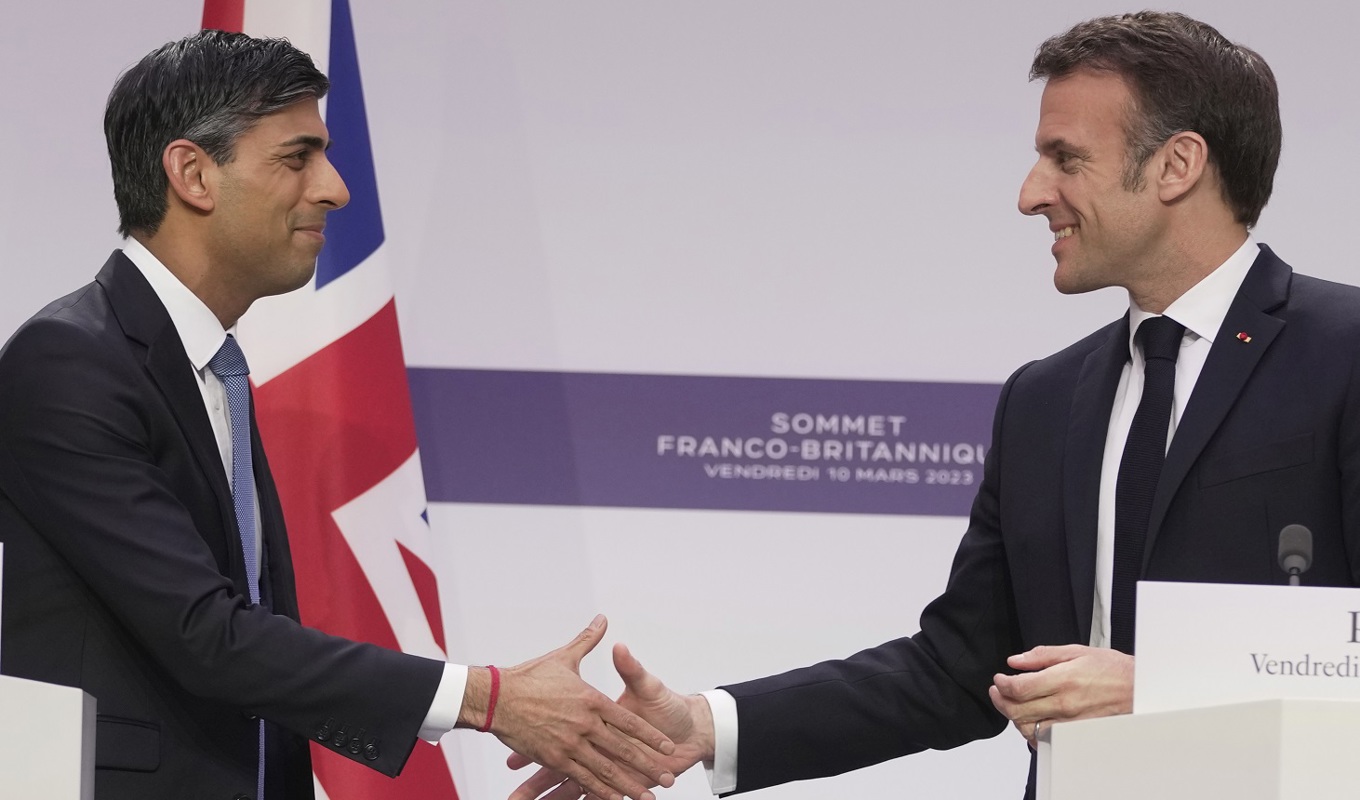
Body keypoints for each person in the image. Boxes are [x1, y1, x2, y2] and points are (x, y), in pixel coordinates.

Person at [508, 11, 1360, 800]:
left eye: (1066, 159)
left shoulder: (1344, 353)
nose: (1031, 193)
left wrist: (1167, 691)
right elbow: (958, 668)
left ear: (1177, 165)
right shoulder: (1045, 400)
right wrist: (704, 725)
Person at [0, 30, 675, 800]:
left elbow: (248, 660)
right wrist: (487, 698)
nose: (334, 189)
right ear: (193, 174)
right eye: (298, 158)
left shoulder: (212, 367)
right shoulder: (70, 361)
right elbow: (206, 635)